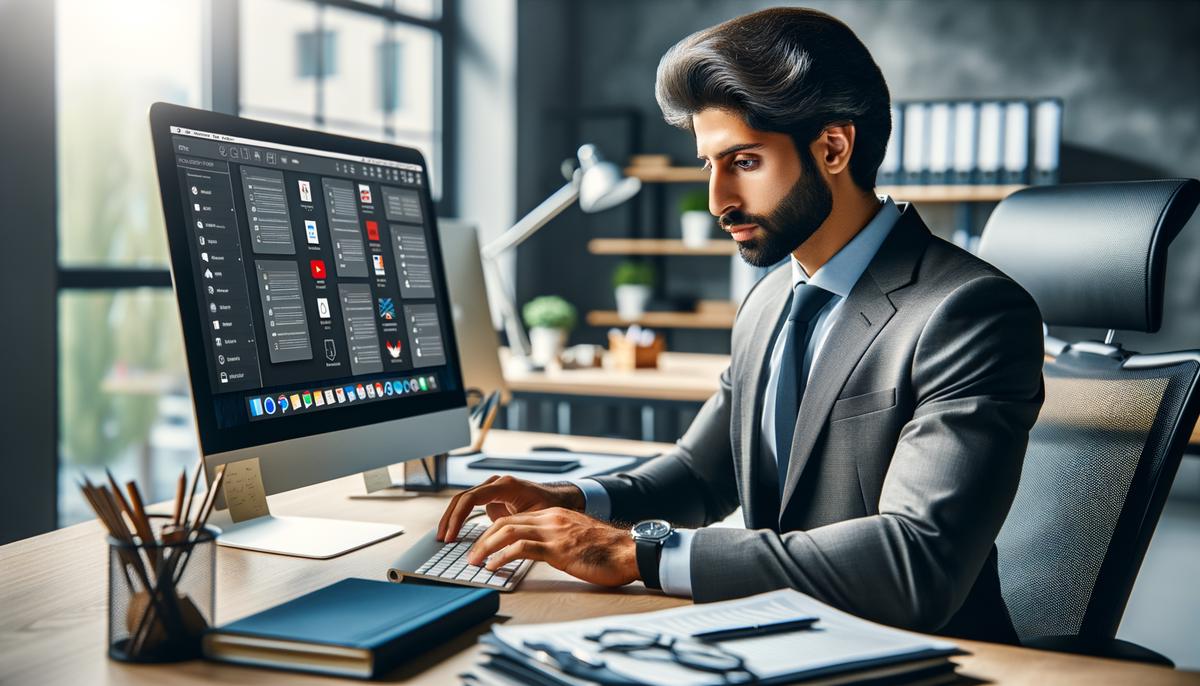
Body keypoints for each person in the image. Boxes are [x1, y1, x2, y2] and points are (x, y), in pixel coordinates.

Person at [437, 7, 1044, 642]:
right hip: (780, 637)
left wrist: (641, 554)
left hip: (927, 658)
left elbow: (917, 563)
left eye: (744, 162)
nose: (717, 200)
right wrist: (576, 502)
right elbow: (702, 474)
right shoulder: (768, 301)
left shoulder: (969, 311)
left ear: (833, 147)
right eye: (709, 164)